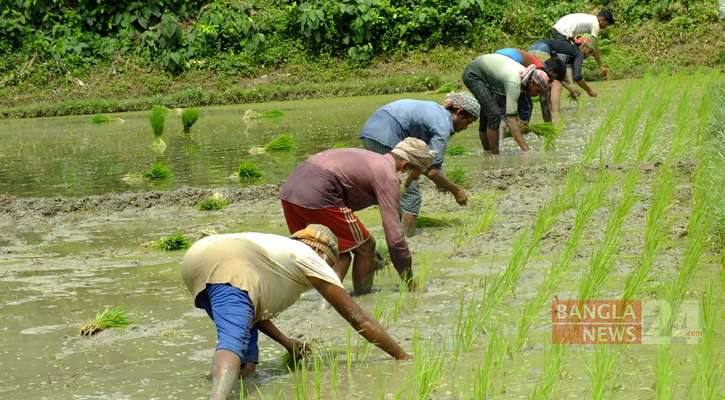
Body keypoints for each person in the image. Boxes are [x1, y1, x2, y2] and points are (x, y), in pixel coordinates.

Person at [181, 225, 412, 400]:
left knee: (246, 357)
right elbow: (358, 318)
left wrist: (286, 342)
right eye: (330, 263)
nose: (328, 268)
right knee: (232, 340)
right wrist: (400, 355)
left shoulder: (277, 250)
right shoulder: (312, 259)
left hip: (198, 258)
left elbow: (253, 316)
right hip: (227, 263)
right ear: (323, 253)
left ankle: (239, 382)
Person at [279, 138, 436, 295]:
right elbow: (395, 240)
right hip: (319, 195)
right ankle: (363, 298)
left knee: (337, 252)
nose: (408, 184)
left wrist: (356, 243)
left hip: (289, 193)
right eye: (414, 178)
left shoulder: (371, 160)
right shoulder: (388, 176)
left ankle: (323, 305)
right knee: (366, 247)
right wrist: (410, 282)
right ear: (405, 166)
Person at [358, 92, 479, 237]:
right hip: (385, 135)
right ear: (459, 113)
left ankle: (395, 233)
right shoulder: (443, 126)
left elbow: (423, 163)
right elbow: (432, 171)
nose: (466, 128)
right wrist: (457, 191)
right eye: (468, 122)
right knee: (410, 192)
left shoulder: (438, 113)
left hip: (372, 131)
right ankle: (408, 238)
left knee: (395, 186)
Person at [461, 53, 551, 154]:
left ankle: (487, 153)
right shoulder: (515, 82)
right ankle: (495, 156)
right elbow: (510, 121)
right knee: (494, 114)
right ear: (531, 83)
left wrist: (519, 120)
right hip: (474, 74)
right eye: (538, 91)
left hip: (486, 74)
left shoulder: (524, 75)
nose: (538, 94)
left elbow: (503, 92)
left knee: (488, 113)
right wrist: (527, 150)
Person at [494, 48, 569, 124]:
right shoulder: (542, 74)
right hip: (505, 63)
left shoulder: (537, 63)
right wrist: (549, 127)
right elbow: (545, 105)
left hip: (495, 60)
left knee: (502, 108)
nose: (549, 84)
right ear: (551, 70)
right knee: (527, 106)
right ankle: (521, 130)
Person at [528, 35, 597, 113]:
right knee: (555, 85)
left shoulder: (568, 50)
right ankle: (556, 117)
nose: (588, 55)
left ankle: (549, 118)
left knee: (544, 85)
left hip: (532, 50)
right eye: (589, 51)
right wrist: (589, 90)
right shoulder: (578, 52)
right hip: (542, 50)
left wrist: (570, 89)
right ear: (583, 46)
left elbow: (555, 76)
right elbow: (577, 77)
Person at [552, 10, 614, 77]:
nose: (605, 27)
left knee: (573, 55)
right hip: (561, 31)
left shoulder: (591, 19)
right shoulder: (595, 24)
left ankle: (573, 79)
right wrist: (600, 66)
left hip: (563, 30)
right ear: (602, 20)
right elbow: (594, 45)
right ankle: (571, 82)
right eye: (606, 24)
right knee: (568, 57)